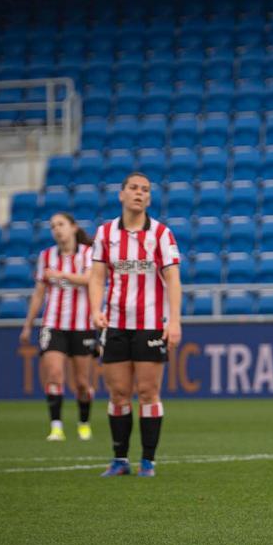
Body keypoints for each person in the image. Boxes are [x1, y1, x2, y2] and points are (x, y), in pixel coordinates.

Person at [88, 172, 182, 478]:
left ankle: (148, 461)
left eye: (145, 190)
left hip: (151, 324)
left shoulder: (161, 234)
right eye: (134, 188)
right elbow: (97, 276)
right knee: (117, 393)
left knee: (147, 392)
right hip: (115, 324)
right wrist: (94, 308)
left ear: (149, 198)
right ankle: (119, 460)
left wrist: (174, 321)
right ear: (122, 194)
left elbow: (172, 279)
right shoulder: (104, 234)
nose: (139, 193)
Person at [20, 212, 98, 441]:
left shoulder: (87, 253)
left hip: (82, 325)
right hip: (53, 323)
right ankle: (56, 426)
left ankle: (83, 423)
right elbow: (39, 294)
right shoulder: (46, 256)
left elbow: (91, 280)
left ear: (73, 227)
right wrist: (28, 325)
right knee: (54, 375)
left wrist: (62, 275)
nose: (57, 229)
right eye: (53, 226)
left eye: (61, 224)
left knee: (82, 383)